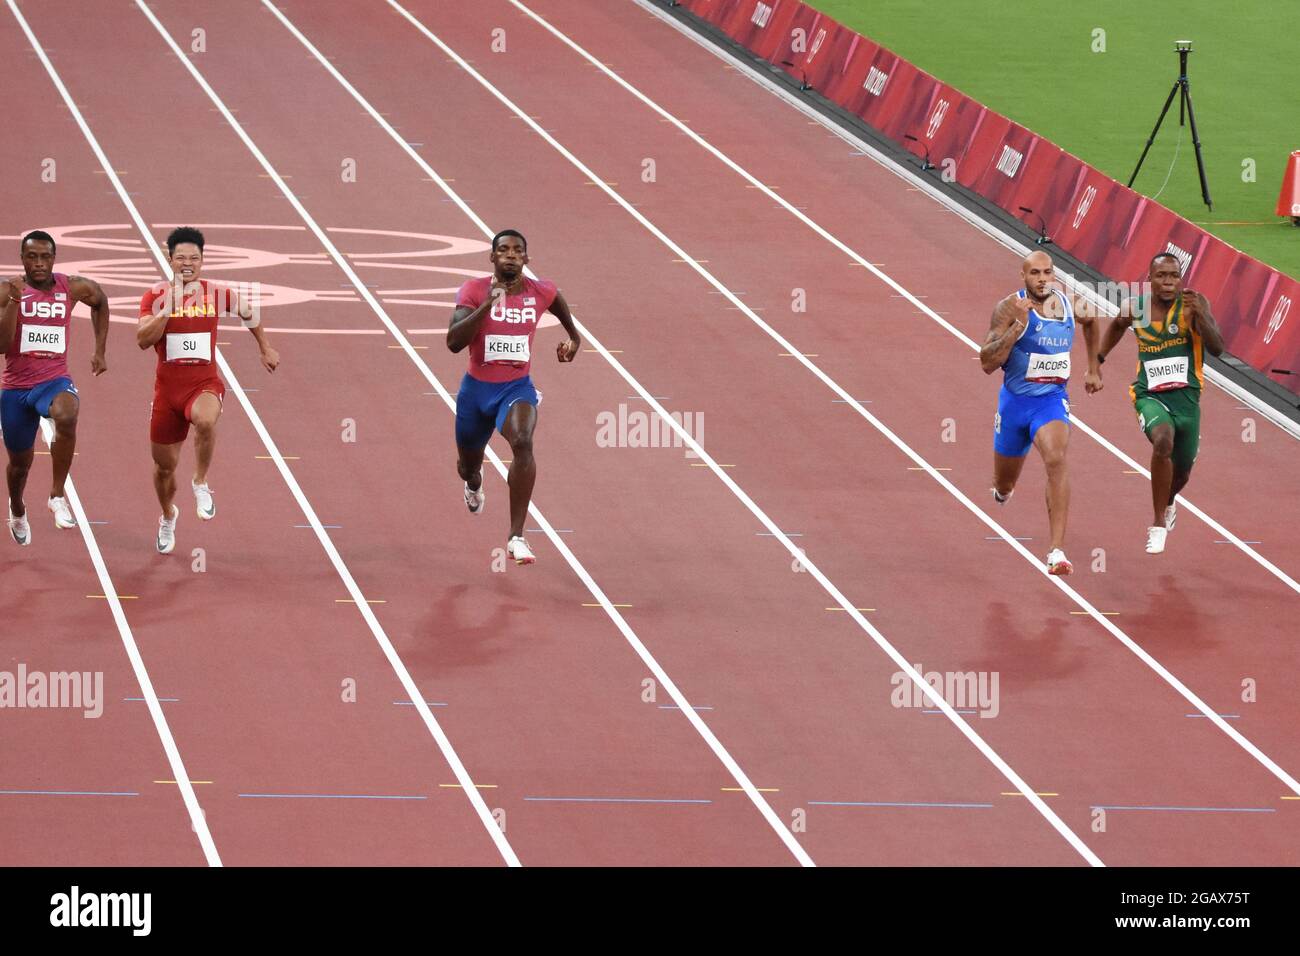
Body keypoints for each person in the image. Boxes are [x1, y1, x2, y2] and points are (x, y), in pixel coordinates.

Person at [137, 227, 279, 554]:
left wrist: (265, 347)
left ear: (202, 261)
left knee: (206, 419)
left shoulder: (215, 293)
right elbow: (143, 340)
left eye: (194, 258)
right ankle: (168, 515)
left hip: (203, 385)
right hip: (167, 394)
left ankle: (200, 482)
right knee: (163, 470)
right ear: (169, 259)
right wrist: (167, 308)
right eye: (181, 258)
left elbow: (249, 311)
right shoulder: (154, 296)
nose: (188, 263)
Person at [446, 229, 580, 565]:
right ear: (492, 258)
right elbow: (453, 342)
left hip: (516, 388)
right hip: (476, 393)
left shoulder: (541, 291)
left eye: (517, 250)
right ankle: (474, 484)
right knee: (467, 467)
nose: (510, 254)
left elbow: (559, 303)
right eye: (503, 250)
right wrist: (488, 305)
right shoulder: (474, 290)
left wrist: (574, 339)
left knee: (522, 441)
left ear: (526, 259)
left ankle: (516, 536)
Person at [980, 251, 1103, 575]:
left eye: (1047, 272)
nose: (1042, 279)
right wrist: (1016, 329)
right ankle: (1003, 491)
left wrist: (1094, 368)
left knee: (1056, 457)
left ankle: (1056, 551)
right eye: (1035, 273)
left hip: (1050, 401)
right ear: (1024, 277)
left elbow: (1091, 322)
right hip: (1014, 405)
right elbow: (987, 363)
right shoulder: (1009, 308)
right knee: (1004, 484)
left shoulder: (1069, 304)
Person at [1098, 252, 1224, 554]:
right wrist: (1097, 360)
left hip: (1187, 400)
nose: (1168, 282)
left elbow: (1218, 348)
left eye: (1173, 276)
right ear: (1149, 279)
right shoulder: (1136, 308)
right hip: (1148, 395)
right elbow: (1117, 325)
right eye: (1161, 276)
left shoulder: (1194, 304)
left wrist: (1202, 317)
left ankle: (1168, 501)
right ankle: (1157, 524)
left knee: (1181, 474)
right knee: (1163, 442)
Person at [0, 230, 108, 546]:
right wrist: (13, 304)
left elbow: (100, 299)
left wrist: (100, 349)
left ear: (53, 259)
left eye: (45, 256)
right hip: (16, 390)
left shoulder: (70, 287)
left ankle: (57, 495)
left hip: (53, 381)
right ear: (21, 259)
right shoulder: (8, 291)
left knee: (67, 412)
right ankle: (17, 507)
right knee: (19, 466)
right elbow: (2, 346)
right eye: (31, 256)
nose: (39, 263)